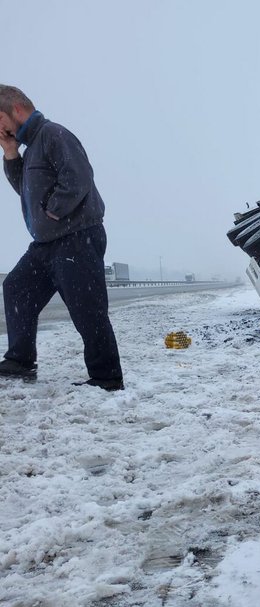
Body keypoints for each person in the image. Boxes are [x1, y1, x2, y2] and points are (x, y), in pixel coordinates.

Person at [0, 85, 124, 390]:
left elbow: (79, 177)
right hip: (46, 244)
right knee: (16, 287)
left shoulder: (53, 134)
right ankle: (21, 359)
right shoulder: (30, 150)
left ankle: (106, 378)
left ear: (16, 110)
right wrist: (11, 154)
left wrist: (51, 212)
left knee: (87, 309)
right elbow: (23, 190)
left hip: (76, 237)